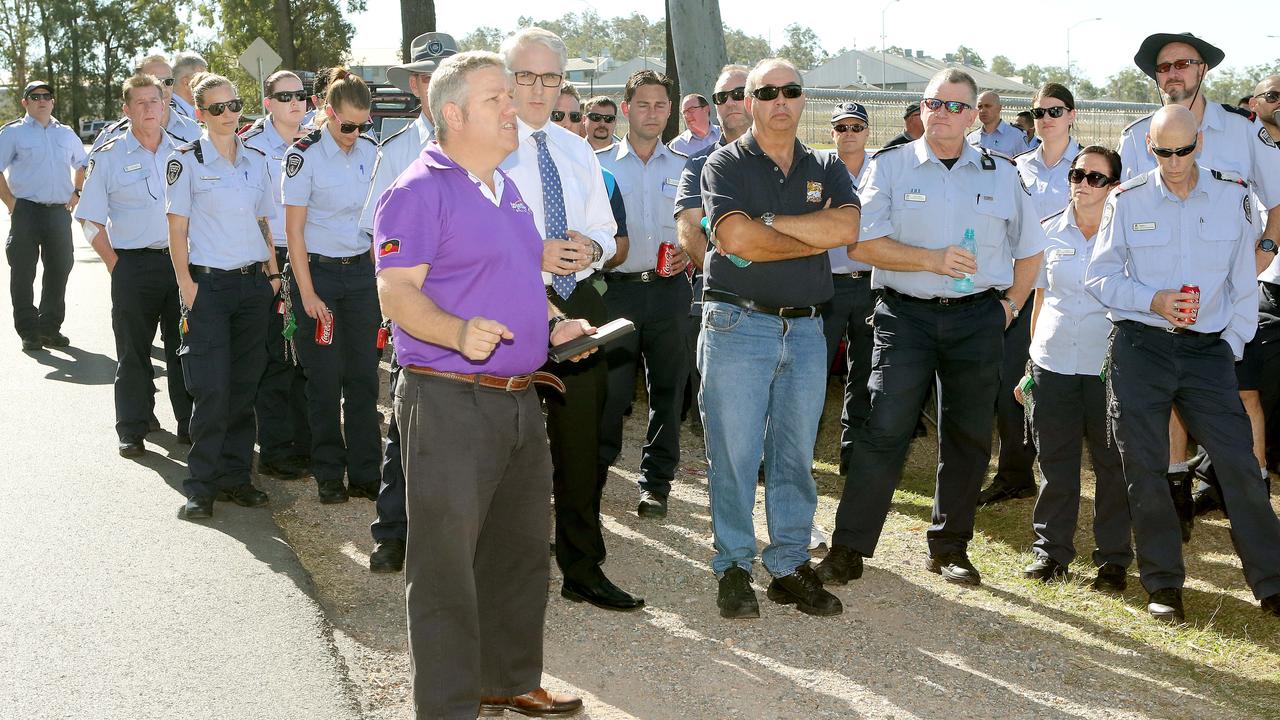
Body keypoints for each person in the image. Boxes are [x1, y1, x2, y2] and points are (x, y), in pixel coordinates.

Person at [374, 49, 588, 719]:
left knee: (520, 553)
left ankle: (508, 678)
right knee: (445, 568)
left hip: (519, 398)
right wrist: (456, 330)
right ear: (454, 113)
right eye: (498, 98)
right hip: (448, 400)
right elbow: (394, 293)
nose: (514, 107)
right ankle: (446, 707)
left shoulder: (505, 186)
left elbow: (522, 276)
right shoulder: (417, 189)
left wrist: (555, 324)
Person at [817, 69, 1045, 589]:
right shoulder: (892, 166)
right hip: (906, 316)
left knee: (966, 436)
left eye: (952, 105)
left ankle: (950, 547)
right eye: (931, 103)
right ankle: (850, 547)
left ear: (973, 116)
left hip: (978, 320)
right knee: (883, 430)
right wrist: (930, 260)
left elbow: (1031, 249)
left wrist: (1009, 306)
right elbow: (861, 245)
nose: (940, 113)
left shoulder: (1001, 172)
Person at [1084, 104, 1280, 621]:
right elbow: (1099, 278)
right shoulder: (1125, 200)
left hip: (1207, 353)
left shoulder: (1234, 196)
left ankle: (1272, 582)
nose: (1174, 161)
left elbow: (1243, 278)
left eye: (1184, 150)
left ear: (1200, 144)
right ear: (1149, 148)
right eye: (1162, 151)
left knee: (1240, 465)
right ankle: (1163, 584)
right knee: (1145, 469)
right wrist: (1153, 299)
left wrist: (1229, 344)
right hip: (1140, 347)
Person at [699, 57, 859, 619]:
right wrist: (807, 234)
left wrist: (772, 226)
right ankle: (735, 566)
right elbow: (736, 239)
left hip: (809, 327)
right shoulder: (725, 164)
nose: (780, 101)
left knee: (794, 454)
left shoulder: (825, 165)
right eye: (767, 93)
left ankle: (788, 564)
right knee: (736, 454)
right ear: (748, 101)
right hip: (738, 324)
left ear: (803, 99)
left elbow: (847, 228)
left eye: (791, 91)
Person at [498, 27, 640, 613]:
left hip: (578, 304)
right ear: (506, 78)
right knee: (506, 444)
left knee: (583, 445)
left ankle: (582, 567)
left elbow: (607, 231)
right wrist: (533, 254)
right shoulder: (485, 143)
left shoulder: (576, 147)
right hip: (508, 305)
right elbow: (476, 236)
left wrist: (592, 247)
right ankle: (505, 572)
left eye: (549, 77)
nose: (538, 88)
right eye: (526, 76)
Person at [1117, 33, 1280, 532]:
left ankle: (1243, 497)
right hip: (1161, 301)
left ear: (1202, 69)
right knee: (1168, 400)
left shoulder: (1243, 129)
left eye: (1183, 64)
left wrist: (1259, 260)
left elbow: (1277, 201)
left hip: (1229, 295)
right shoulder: (1136, 136)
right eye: (1163, 67)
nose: (1173, 73)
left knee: (1243, 394)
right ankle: (1176, 494)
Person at [359, 30, 457, 574]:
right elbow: (371, 230)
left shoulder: (493, 148)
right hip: (417, 309)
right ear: (418, 85)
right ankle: (393, 531)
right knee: (406, 421)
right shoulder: (396, 149)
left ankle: (458, 534)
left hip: (477, 305)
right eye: (429, 77)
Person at [166, 72, 281, 520]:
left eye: (234, 106)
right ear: (199, 114)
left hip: (253, 287)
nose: (229, 115)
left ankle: (237, 478)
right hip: (208, 288)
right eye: (218, 108)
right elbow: (177, 230)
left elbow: (263, 221)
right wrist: (187, 287)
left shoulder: (256, 159)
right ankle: (201, 486)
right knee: (211, 389)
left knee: (244, 386)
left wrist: (272, 276)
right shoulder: (186, 161)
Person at [1017, 145, 1132, 591]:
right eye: (1077, 175)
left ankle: (1113, 559)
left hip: (1107, 367)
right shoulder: (1047, 233)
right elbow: (1040, 300)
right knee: (1055, 461)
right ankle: (1051, 552)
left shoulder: (1126, 238)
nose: (1083, 184)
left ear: (1114, 186)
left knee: (1112, 464)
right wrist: (1030, 362)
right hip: (1053, 361)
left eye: (1096, 178)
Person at [75, 73, 192, 456]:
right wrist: (115, 264)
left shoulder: (184, 150)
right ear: (126, 110)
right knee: (133, 353)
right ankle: (132, 427)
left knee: (185, 349)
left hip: (180, 267)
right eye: (139, 103)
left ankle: (189, 426)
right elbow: (88, 218)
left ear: (164, 105)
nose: (148, 109)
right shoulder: (109, 155)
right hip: (133, 267)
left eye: (154, 101)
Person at [979, 82, 1083, 507]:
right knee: (1011, 382)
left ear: (1072, 115)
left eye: (1055, 112)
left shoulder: (1090, 167)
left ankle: (1057, 473)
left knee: (1059, 384)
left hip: (1068, 294)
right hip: (1021, 286)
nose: (1045, 120)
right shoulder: (1018, 166)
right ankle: (1014, 472)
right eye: (1038, 113)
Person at [281, 69, 381, 505]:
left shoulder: (372, 153)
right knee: (324, 380)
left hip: (361, 275)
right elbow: (294, 233)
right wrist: (306, 293)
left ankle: (364, 472)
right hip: (317, 273)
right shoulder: (302, 156)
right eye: (347, 125)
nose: (354, 133)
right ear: (326, 112)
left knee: (363, 379)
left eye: (363, 125)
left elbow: (380, 226)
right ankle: (327, 471)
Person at [596, 69, 691, 520]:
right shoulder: (601, 166)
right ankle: (594, 473)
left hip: (671, 293)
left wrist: (690, 257)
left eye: (660, 105)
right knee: (611, 394)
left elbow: (702, 227)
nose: (652, 113)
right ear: (627, 108)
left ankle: (655, 484)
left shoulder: (687, 168)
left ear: (670, 111)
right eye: (643, 105)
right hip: (617, 294)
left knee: (668, 393)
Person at [241, 70, 313, 480]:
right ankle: (275, 449)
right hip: (273, 258)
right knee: (276, 357)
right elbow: (256, 212)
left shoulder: (317, 140)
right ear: (268, 102)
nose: (295, 102)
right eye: (284, 96)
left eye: (301, 95)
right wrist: (272, 269)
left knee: (307, 355)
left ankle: (306, 443)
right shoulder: (251, 145)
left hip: (310, 254)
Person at [673, 64, 751, 443]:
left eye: (739, 94)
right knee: (721, 406)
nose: (730, 103)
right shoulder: (698, 164)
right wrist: (735, 275)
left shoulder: (792, 160)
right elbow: (690, 231)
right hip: (721, 302)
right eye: (722, 97)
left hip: (782, 303)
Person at [0, 80, 87, 351]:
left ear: (53, 101)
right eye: (35, 96)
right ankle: (29, 331)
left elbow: (83, 164)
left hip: (58, 213)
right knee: (23, 271)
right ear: (25, 102)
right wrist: (12, 203)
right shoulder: (13, 133)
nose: (42, 100)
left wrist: (77, 193)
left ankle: (50, 328)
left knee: (60, 269)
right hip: (26, 211)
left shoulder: (66, 133)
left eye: (47, 96)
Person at [821, 102, 874, 477]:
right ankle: (798, 450)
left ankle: (853, 452)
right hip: (827, 284)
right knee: (812, 371)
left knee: (864, 372)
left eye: (857, 126)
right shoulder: (820, 169)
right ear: (833, 133)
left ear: (867, 132)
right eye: (842, 127)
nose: (849, 133)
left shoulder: (883, 170)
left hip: (871, 283)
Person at [91, 55, 201, 150]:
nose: (163, 88)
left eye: (168, 81)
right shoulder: (110, 136)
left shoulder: (194, 131)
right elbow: (85, 172)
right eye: (155, 82)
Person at [967, 90, 1031, 156]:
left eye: (988, 106)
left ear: (999, 108)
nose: (983, 110)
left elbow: (1025, 164)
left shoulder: (1016, 136)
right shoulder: (971, 138)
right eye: (980, 107)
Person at [170, 51, 208, 119]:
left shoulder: (189, 111)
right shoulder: (168, 114)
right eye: (203, 79)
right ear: (187, 82)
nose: (207, 83)